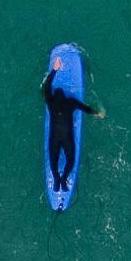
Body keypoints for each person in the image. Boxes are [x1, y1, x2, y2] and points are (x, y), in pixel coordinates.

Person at [41, 54, 101, 194]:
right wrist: (96, 113)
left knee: (53, 162)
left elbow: (47, 87)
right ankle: (63, 179)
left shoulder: (50, 103)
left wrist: (55, 70)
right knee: (71, 160)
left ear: (54, 96)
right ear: (65, 96)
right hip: (67, 137)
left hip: (54, 138)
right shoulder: (71, 103)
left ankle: (57, 180)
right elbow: (85, 108)